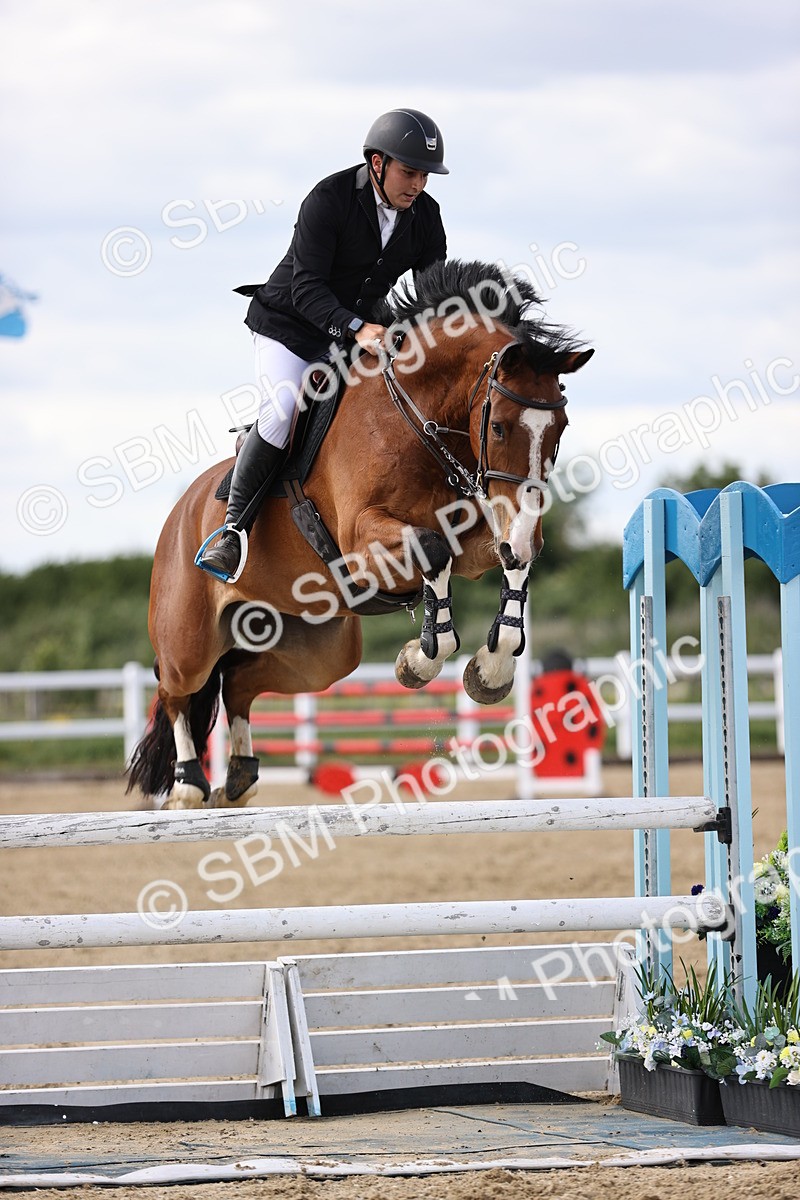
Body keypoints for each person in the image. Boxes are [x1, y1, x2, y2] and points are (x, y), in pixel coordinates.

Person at [196, 108, 449, 582]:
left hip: (359, 330)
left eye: (424, 176)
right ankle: (232, 531)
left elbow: (431, 292)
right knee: (283, 409)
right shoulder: (329, 199)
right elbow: (306, 288)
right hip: (290, 326)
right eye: (409, 172)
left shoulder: (426, 216)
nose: (417, 185)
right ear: (377, 163)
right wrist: (358, 329)